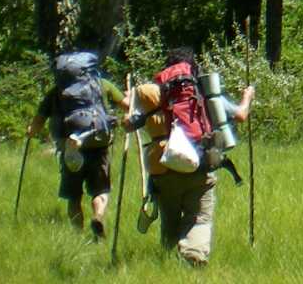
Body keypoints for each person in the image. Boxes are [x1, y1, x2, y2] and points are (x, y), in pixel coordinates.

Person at [124, 48, 254, 267]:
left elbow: (129, 124)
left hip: (164, 168)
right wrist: (247, 97)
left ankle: (168, 262)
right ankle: (193, 256)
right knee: (200, 217)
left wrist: (127, 115)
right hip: (200, 165)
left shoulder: (156, 94)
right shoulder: (204, 92)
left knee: (170, 218)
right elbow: (240, 115)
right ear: (193, 68)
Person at [27, 50, 127, 241]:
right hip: (98, 144)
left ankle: (77, 237)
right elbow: (127, 105)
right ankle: (98, 216)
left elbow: (37, 124)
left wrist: (30, 131)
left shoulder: (56, 92)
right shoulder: (101, 84)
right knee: (100, 190)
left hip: (70, 147)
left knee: (74, 196)